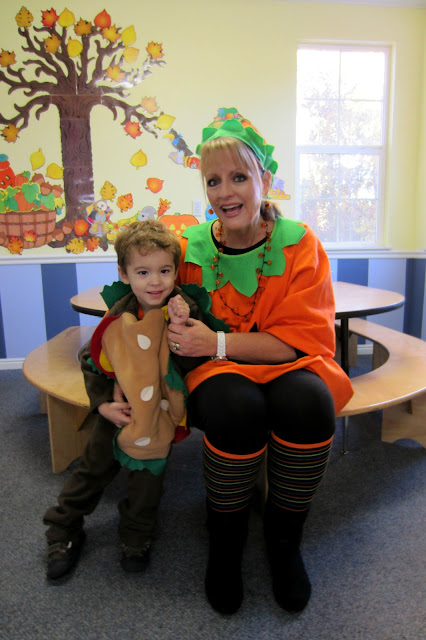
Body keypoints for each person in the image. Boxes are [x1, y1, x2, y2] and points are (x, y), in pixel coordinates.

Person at [166, 107, 354, 615]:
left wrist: (216, 342)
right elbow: (148, 310)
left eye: (239, 177)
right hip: (218, 372)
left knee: (310, 403)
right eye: (213, 181)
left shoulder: (300, 244)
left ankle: (283, 540)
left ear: (265, 180)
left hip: (285, 361)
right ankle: (225, 544)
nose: (225, 192)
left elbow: (297, 342)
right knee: (236, 408)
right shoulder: (189, 246)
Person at [43, 219, 209, 579]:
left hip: (158, 416)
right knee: (93, 470)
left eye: (165, 271)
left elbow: (197, 359)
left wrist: (183, 325)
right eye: (143, 272)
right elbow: (91, 359)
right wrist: (103, 403)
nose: (155, 282)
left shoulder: (184, 308)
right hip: (119, 412)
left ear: (175, 271)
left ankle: (137, 537)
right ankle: (63, 528)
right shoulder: (119, 314)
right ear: (124, 273)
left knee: (147, 481)